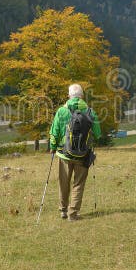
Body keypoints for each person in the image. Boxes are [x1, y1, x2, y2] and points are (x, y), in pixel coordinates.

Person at [48, 83, 102, 221]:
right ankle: (73, 214)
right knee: (78, 184)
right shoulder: (90, 112)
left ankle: (63, 210)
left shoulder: (61, 111)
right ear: (82, 96)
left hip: (63, 153)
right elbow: (98, 133)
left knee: (63, 182)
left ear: (69, 96)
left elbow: (54, 132)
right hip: (83, 155)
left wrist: (52, 147)